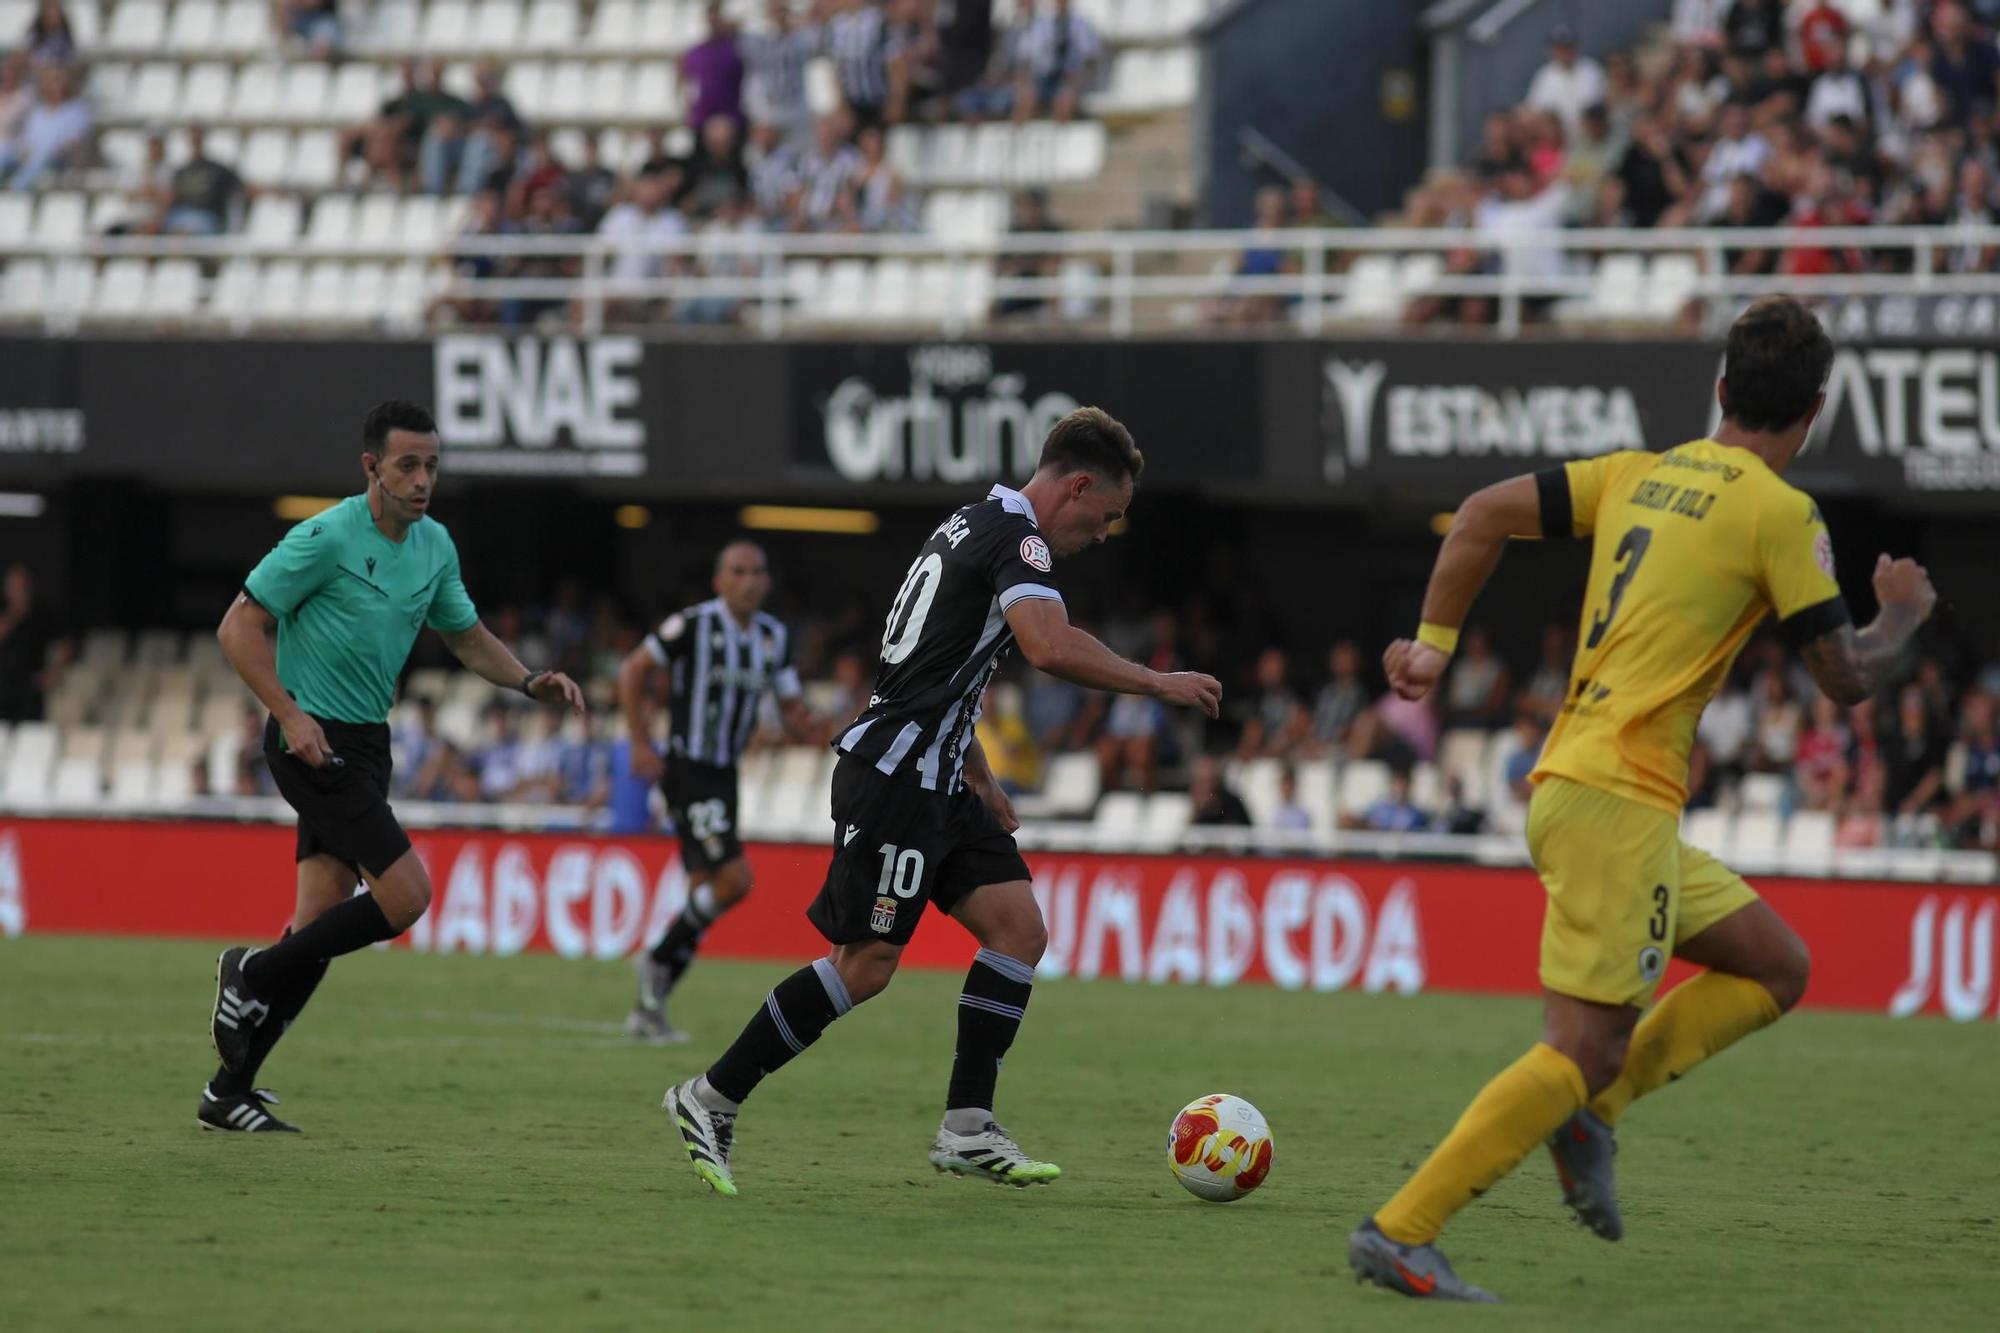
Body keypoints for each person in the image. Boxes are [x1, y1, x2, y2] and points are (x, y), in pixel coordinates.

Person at [1348, 297, 1936, 1300]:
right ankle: (1403, 1230)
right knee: (1579, 1045)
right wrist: (1901, 615)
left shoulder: (1635, 474)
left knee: (1775, 965)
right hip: (1615, 801)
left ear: (1720, 389)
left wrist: (1434, 646)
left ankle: (1593, 1113)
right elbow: (1844, 675)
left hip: (1588, 788)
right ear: (1814, 411)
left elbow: (1481, 511)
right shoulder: (1779, 512)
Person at [662, 407, 1221, 1196]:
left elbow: (934, 665)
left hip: (944, 777)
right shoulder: (1019, 540)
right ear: (1078, 486)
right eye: (1108, 515)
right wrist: (1159, 681)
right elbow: (1048, 646)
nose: (1104, 533)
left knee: (1018, 929)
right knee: (865, 966)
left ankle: (967, 1127)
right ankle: (711, 1096)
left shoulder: (969, 522)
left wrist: (978, 769)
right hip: (896, 780)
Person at [200, 401, 586, 1133]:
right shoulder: (324, 537)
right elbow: (237, 626)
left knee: (317, 927)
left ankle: (228, 1090)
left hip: (367, 746)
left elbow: (465, 636)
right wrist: (289, 715)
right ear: (371, 467)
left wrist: (528, 680)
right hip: (312, 741)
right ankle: (249, 971)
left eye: (432, 466)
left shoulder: (434, 545)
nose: (422, 480)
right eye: (408, 465)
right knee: (408, 896)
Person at [620, 541, 821, 1043]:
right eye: (738, 571)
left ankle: (649, 1008)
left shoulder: (773, 637)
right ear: (720, 581)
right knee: (735, 880)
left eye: (757, 571)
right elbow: (632, 670)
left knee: (700, 900)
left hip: (725, 774)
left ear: (767, 581)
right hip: (688, 768)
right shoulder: (692, 626)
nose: (749, 580)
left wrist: (818, 728)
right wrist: (640, 744)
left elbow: (791, 703)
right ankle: (656, 958)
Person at [0, 564, 71, 723]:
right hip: (3, 685)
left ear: (29, 587)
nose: (17, 591)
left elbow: (67, 643)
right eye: (13, 586)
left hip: (30, 686)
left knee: (30, 732)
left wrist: (54, 672)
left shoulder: (42, 615)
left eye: (21, 586)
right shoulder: (4, 614)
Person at [160, 125, 247, 236]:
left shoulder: (218, 170)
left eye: (198, 138)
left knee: (185, 231)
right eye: (193, 138)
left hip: (208, 218)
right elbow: (170, 197)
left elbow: (241, 187)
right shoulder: (181, 171)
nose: (195, 141)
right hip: (182, 215)